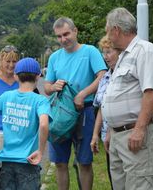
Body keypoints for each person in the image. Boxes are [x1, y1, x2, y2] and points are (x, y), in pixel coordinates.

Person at [102, 7, 153, 190]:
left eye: (107, 30)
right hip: (120, 137)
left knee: (140, 184)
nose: (108, 36)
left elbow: (151, 91)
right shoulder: (123, 56)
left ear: (116, 30)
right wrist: (113, 130)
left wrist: (139, 129)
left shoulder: (145, 50)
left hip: (135, 137)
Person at [44, 17, 107, 190]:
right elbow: (46, 87)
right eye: (59, 36)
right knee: (60, 163)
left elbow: (102, 77)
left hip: (83, 111)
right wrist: (53, 87)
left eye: (66, 34)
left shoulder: (90, 51)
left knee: (84, 162)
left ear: (75, 31)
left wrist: (83, 93)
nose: (63, 39)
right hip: (60, 114)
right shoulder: (54, 57)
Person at [0, 57, 51, 190]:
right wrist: (40, 151)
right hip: (28, 161)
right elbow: (44, 124)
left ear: (16, 76)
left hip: (7, 161)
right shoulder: (40, 101)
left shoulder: (7, 96)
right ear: (38, 76)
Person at [90, 35, 120, 190]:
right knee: (114, 179)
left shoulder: (125, 76)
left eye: (109, 52)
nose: (105, 56)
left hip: (122, 135)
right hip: (106, 137)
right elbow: (102, 108)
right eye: (104, 52)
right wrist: (95, 135)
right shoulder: (105, 77)